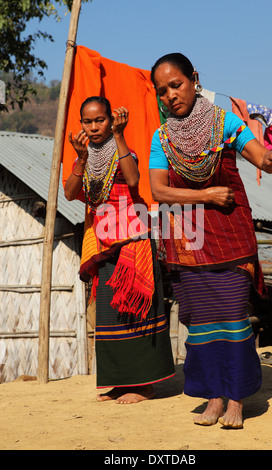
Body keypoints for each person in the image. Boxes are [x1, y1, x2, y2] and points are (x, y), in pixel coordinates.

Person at [149, 53, 272, 427]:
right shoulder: (161, 137)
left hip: (231, 235)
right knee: (199, 321)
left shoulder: (225, 123)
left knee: (233, 316)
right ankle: (212, 398)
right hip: (187, 240)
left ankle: (235, 400)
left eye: (176, 85)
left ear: (194, 79)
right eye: (162, 90)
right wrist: (207, 196)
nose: (170, 95)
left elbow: (258, 155)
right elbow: (158, 190)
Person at [65, 96, 175, 404]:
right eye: (88, 121)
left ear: (110, 120)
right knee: (108, 314)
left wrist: (120, 136)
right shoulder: (84, 157)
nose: (94, 126)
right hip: (103, 242)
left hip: (132, 238)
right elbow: (71, 193)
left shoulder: (124, 149)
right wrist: (82, 158)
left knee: (135, 308)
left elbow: (133, 178)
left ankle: (144, 385)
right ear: (81, 125)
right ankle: (118, 381)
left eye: (100, 119)